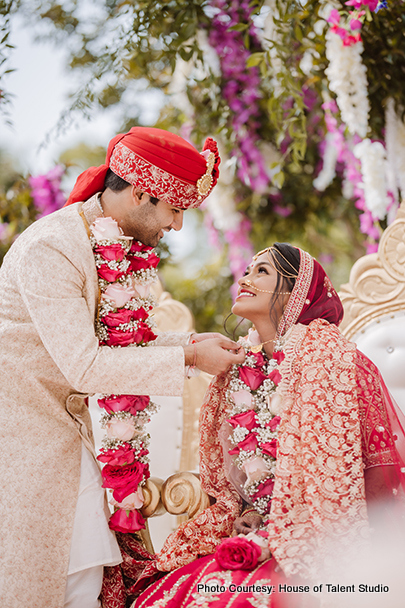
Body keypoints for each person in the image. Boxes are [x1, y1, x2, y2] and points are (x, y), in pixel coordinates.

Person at [0, 127, 245, 608]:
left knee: (81, 582)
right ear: (139, 193)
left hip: (65, 439)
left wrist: (192, 343)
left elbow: (119, 342)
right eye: (174, 209)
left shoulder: (97, 239)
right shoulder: (54, 248)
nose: (176, 225)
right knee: (52, 583)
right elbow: (87, 364)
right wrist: (190, 357)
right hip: (26, 442)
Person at [108, 243, 405, 608]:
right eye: (247, 269)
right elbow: (240, 485)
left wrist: (299, 530)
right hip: (250, 539)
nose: (245, 278)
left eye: (261, 271)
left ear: (295, 290)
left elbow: (380, 477)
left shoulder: (341, 366)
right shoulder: (232, 373)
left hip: (322, 544)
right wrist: (248, 514)